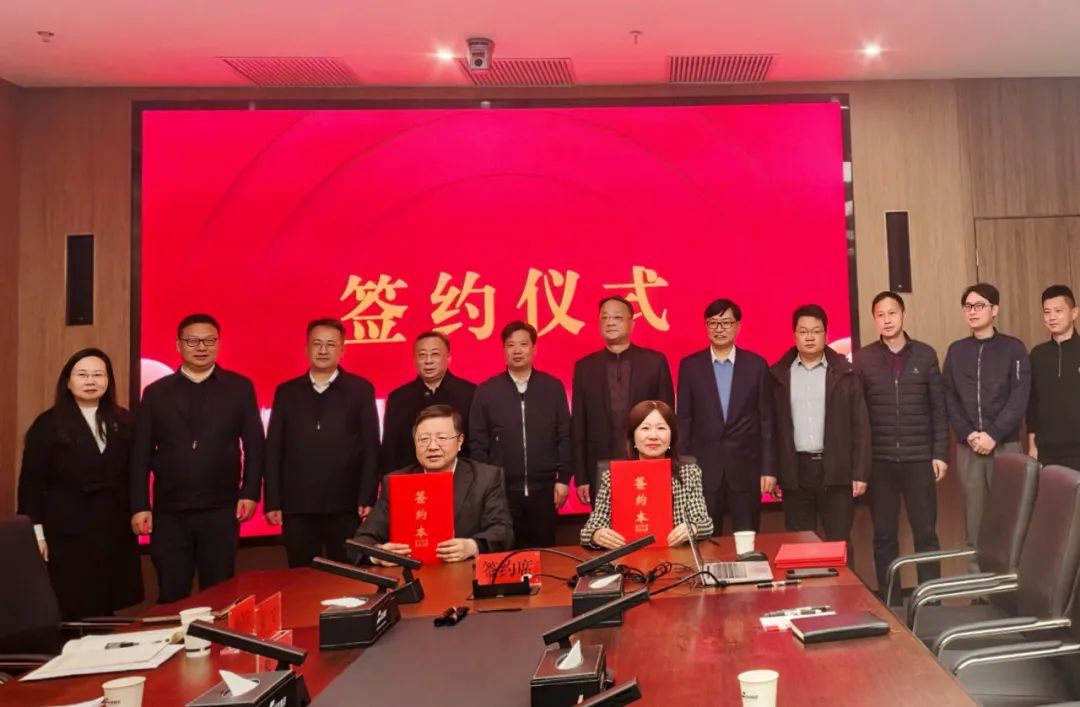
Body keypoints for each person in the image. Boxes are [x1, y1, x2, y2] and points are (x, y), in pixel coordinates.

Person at [130, 313, 265, 603]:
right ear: (178, 345)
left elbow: (255, 446)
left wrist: (250, 492)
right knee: (172, 592)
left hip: (221, 509)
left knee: (220, 593)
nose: (201, 347)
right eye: (192, 341)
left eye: (209, 341)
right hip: (170, 511)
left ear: (218, 344)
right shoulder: (156, 393)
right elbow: (140, 454)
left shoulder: (239, 388)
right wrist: (140, 505)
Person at [17, 349, 143, 620]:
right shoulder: (48, 424)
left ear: (108, 381)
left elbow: (134, 472)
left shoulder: (123, 420)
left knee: (107, 603)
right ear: (68, 381)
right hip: (67, 528)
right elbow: (31, 483)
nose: (90, 381)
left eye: (98, 375)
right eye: (82, 375)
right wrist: (36, 533)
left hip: (112, 526)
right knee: (74, 603)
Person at [853, 292, 948, 597]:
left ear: (903, 315)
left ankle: (930, 601)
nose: (887, 320)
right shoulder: (864, 359)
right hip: (880, 462)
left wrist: (940, 453)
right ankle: (890, 600)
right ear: (874, 319)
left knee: (926, 534)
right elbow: (858, 414)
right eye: (880, 315)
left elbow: (938, 408)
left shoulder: (925, 354)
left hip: (919, 459)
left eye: (892, 313)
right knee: (884, 536)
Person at [264, 318, 380, 567]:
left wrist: (368, 496)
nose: (323, 350)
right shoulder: (287, 392)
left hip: (346, 504)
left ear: (342, 350)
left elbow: (371, 448)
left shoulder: (360, 390)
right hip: (298, 505)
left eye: (331, 344)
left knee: (348, 573)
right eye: (317, 344)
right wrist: (273, 500)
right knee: (301, 575)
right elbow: (274, 448)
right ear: (306, 349)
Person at [352, 404, 513, 563]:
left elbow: (502, 532)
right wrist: (379, 555)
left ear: (460, 441)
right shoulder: (396, 482)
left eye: (442, 438)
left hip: (464, 573)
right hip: (411, 574)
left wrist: (472, 547)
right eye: (424, 439)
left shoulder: (486, 478)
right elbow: (361, 541)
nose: (433, 447)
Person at [942, 283, 1029, 570]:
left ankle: (1010, 586)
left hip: (1006, 445)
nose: (972, 311)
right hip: (969, 448)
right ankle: (978, 586)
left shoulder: (1013, 348)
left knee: (1009, 520)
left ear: (994, 310)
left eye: (979, 305)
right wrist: (969, 434)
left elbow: (1019, 397)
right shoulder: (956, 351)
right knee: (974, 524)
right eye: (968, 306)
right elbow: (949, 397)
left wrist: (993, 434)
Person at [771, 305, 870, 556]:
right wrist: (773, 471)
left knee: (839, 543)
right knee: (799, 544)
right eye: (803, 331)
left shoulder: (846, 372)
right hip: (796, 471)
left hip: (836, 469)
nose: (810, 337)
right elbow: (770, 429)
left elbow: (861, 426)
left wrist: (860, 472)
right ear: (794, 335)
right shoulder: (778, 375)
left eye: (816, 331)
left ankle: (844, 585)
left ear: (826, 334)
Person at [676, 298, 776, 533]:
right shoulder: (690, 366)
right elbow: (684, 421)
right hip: (703, 471)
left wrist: (769, 469)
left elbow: (767, 422)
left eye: (726, 323)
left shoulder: (756, 365)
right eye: (713, 323)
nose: (719, 329)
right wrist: (683, 469)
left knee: (747, 537)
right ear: (706, 326)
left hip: (746, 469)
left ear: (738, 326)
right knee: (706, 537)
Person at [470, 321, 572, 548]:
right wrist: (487, 486)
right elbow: (477, 443)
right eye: (511, 345)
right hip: (501, 492)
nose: (517, 350)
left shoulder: (552, 387)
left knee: (544, 554)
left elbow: (565, 435)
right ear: (503, 350)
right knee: (505, 554)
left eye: (523, 344)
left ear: (534, 349)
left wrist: (564, 479)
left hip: (545, 491)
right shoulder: (486, 391)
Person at [571, 296, 674, 506]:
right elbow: (579, 426)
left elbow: (668, 419)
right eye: (605, 318)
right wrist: (581, 477)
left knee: (648, 520)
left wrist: (668, 466)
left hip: (647, 462)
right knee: (606, 525)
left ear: (631, 323)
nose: (610, 322)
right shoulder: (584, 368)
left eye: (617, 317)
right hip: (601, 466)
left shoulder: (654, 362)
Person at [580, 400, 714, 549]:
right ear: (633, 437)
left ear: (672, 436)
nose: (653, 436)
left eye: (661, 428)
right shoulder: (613, 477)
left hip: (675, 557)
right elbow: (588, 530)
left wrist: (694, 528)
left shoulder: (689, 474)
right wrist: (596, 535)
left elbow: (705, 524)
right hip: (627, 558)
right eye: (645, 428)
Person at [381, 331, 476, 475]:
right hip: (412, 478)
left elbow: (477, 444)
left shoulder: (470, 393)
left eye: (435, 354)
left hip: (460, 478)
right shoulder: (398, 398)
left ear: (448, 358)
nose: (428, 361)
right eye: (422, 355)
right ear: (414, 360)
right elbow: (390, 449)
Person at [1028, 285, 1080, 470]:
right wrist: (1032, 445)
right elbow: (1032, 403)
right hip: (1046, 449)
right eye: (1047, 312)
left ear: (1074, 313)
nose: (1052, 317)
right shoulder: (1037, 354)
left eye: (1058, 311)